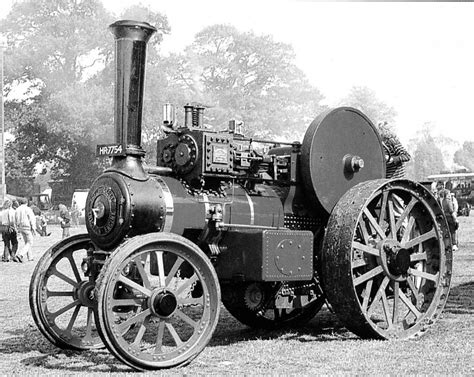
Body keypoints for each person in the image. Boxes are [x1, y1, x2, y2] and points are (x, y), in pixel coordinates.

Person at [15, 197, 36, 262]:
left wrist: (17, 227)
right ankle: (20, 254)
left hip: (20, 227)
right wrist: (33, 227)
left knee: (26, 242)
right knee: (30, 242)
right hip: (27, 226)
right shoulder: (28, 209)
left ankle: (30, 257)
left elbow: (16, 219)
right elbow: (32, 218)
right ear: (26, 203)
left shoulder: (17, 209)